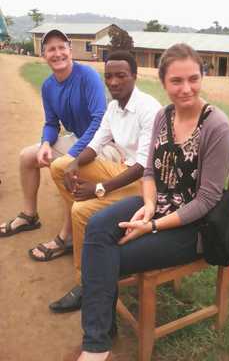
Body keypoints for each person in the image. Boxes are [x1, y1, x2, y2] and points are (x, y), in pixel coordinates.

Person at [74, 43, 229, 361]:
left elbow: (206, 200)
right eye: (176, 81)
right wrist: (148, 204)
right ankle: (101, 335)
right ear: (163, 82)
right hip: (157, 204)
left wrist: (151, 225)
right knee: (97, 227)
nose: (185, 88)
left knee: (113, 254)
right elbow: (149, 171)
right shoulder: (164, 116)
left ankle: (96, 344)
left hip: (194, 226)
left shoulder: (217, 127)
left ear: (202, 76)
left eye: (193, 78)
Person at [44, 51, 161, 313]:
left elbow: (143, 165)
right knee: (60, 165)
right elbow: (96, 145)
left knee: (80, 209)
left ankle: (86, 284)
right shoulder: (113, 107)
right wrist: (74, 163)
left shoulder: (149, 109)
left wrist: (99, 189)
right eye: (109, 76)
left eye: (121, 75)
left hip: (145, 184)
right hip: (120, 170)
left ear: (134, 76)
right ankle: (93, 235)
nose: (114, 82)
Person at [0, 29, 107, 257]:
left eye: (61, 47)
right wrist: (46, 144)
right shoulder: (48, 86)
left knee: (63, 168)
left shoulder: (87, 76)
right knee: (27, 156)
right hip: (79, 139)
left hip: (102, 144)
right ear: (44, 55)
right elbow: (51, 123)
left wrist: (74, 155)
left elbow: (99, 121)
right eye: (51, 49)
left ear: (70, 51)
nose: (57, 53)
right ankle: (30, 215)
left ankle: (67, 236)